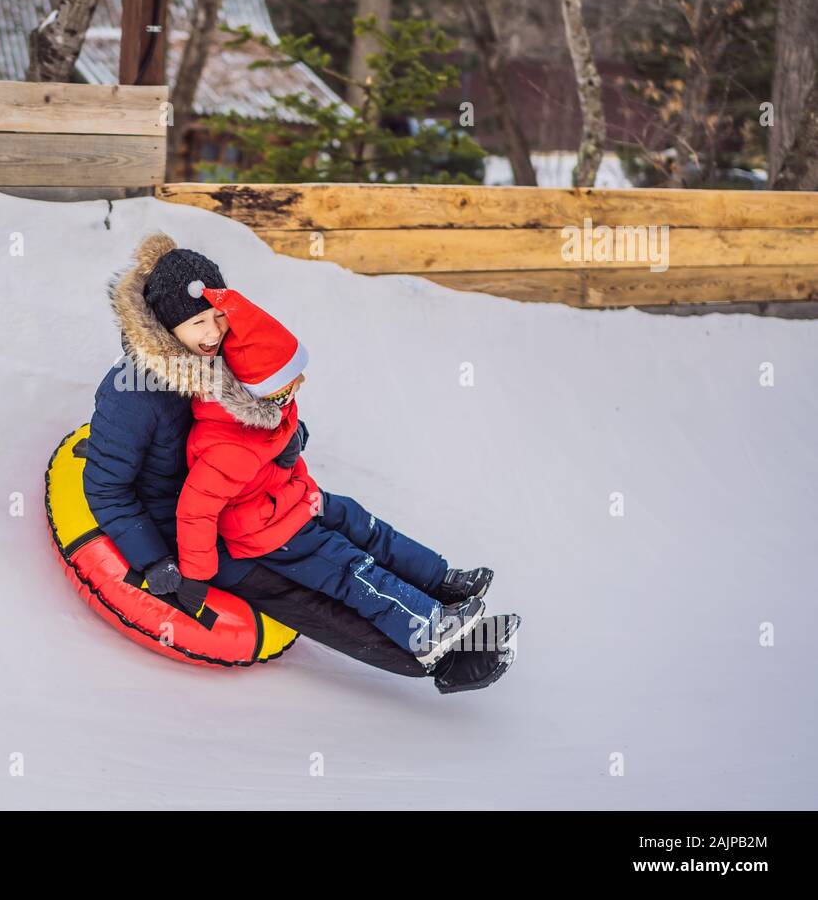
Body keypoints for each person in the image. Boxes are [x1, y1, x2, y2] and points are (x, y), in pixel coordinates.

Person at [82, 232, 515, 692]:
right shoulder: (132, 392)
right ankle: (444, 660)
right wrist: (155, 561)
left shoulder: (214, 353)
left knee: (349, 523)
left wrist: (293, 439)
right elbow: (107, 487)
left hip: (255, 492)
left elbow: (268, 407)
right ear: (167, 328)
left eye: (216, 318)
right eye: (197, 324)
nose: (211, 333)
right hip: (196, 531)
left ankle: (443, 591)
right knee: (314, 587)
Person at [175, 281, 497, 670]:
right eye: (292, 381)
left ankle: (439, 580)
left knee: (364, 524)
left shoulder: (269, 408)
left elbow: (280, 440)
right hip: (269, 534)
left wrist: (291, 446)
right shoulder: (226, 446)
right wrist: (196, 575)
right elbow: (195, 510)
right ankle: (426, 628)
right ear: (266, 392)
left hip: (297, 500)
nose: (301, 384)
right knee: (349, 569)